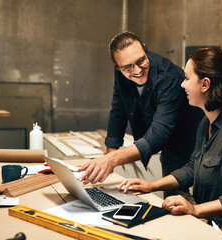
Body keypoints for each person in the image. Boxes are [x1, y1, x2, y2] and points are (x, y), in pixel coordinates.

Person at [119, 48, 222, 239]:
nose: (182, 85)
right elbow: (192, 169)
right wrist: (151, 185)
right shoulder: (205, 123)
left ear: (205, 84)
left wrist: (195, 209)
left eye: (186, 78)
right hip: (212, 224)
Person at [79, 31, 203, 199]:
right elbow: (119, 109)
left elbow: (159, 135)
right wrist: (109, 156)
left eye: (141, 60)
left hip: (189, 136)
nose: (136, 70)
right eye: (127, 67)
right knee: (173, 197)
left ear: (145, 49)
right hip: (168, 143)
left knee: (194, 193)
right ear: (116, 65)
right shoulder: (122, 71)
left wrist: (113, 159)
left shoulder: (169, 77)